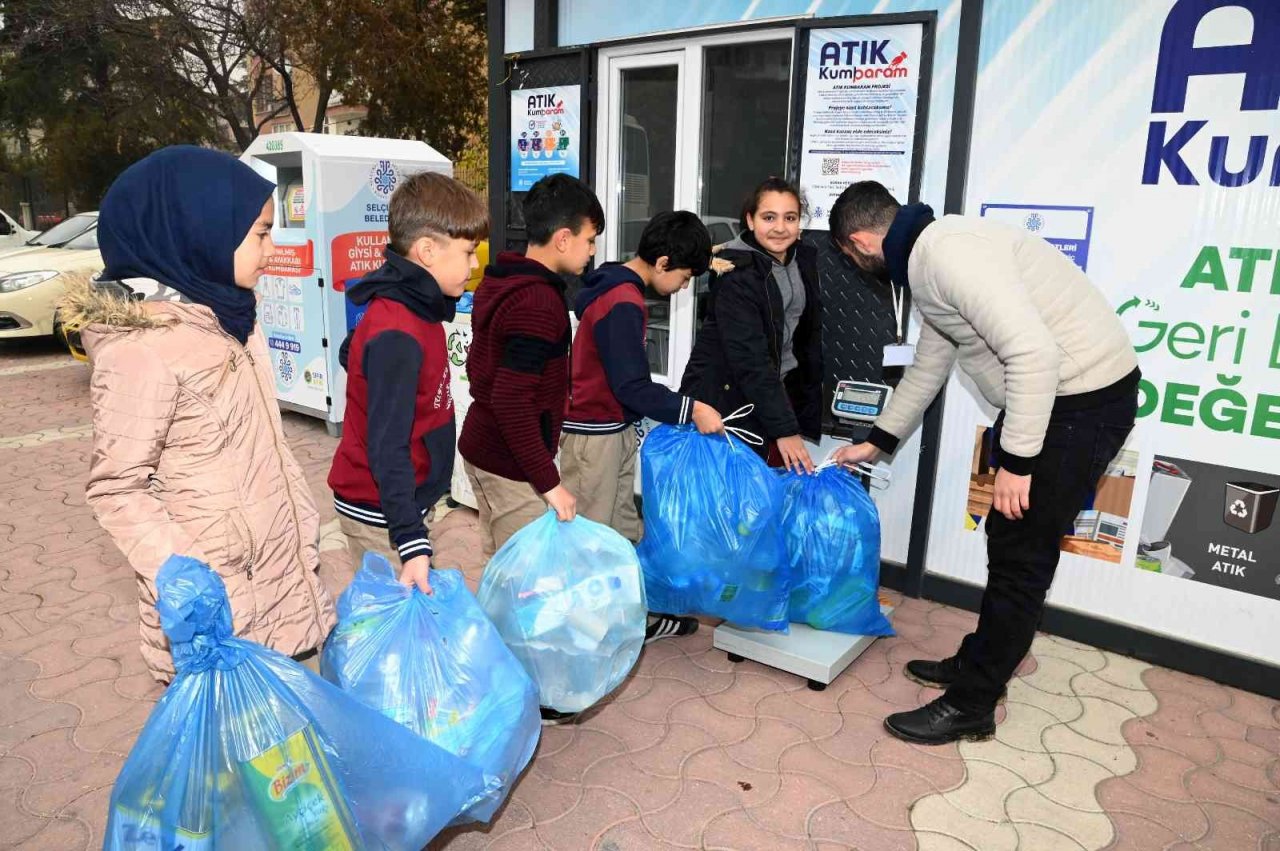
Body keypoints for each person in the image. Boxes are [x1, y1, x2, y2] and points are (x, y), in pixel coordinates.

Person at [828, 181, 1140, 745]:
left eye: (850, 258)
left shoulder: (946, 256)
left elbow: (1033, 354)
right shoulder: (929, 253)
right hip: (1054, 403)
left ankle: (972, 706)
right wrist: (877, 440)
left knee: (1021, 559)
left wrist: (1018, 462)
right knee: (1008, 541)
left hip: (1079, 404)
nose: (856, 266)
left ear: (860, 241)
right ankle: (980, 662)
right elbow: (929, 364)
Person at [69, 146, 336, 683]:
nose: (271, 246)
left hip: (282, 580)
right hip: (217, 610)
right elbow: (117, 487)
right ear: (199, 231)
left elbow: (266, 449)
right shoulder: (141, 350)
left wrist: (303, 526)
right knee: (241, 760)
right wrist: (182, 576)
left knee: (293, 756)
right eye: (260, 233)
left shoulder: (233, 321)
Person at [561, 211, 725, 644]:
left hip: (610, 431)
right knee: (591, 541)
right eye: (686, 277)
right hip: (592, 436)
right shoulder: (623, 302)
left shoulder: (618, 287)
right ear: (664, 262)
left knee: (620, 532)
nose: (685, 287)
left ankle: (626, 621)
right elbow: (631, 387)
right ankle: (585, 639)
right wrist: (693, 409)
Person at [327, 172, 487, 595]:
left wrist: (370, 372)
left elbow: (354, 351)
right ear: (428, 251)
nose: (474, 266)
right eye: (469, 253)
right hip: (379, 511)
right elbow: (387, 447)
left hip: (401, 504)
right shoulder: (398, 329)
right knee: (393, 635)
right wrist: (411, 539)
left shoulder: (416, 306)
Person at [458, 174, 603, 557]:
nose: (591, 251)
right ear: (563, 239)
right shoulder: (538, 303)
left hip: (482, 445)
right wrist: (549, 483)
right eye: (589, 240)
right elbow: (512, 400)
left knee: (500, 568)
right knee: (524, 585)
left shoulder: (502, 280)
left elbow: (486, 370)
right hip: (509, 463)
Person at [680, 177, 824, 473]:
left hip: (769, 396)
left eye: (790, 218)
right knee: (728, 503)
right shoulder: (736, 271)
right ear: (750, 219)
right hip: (727, 401)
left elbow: (803, 338)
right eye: (768, 217)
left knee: (759, 502)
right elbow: (750, 358)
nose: (780, 228)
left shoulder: (801, 259)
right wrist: (785, 429)